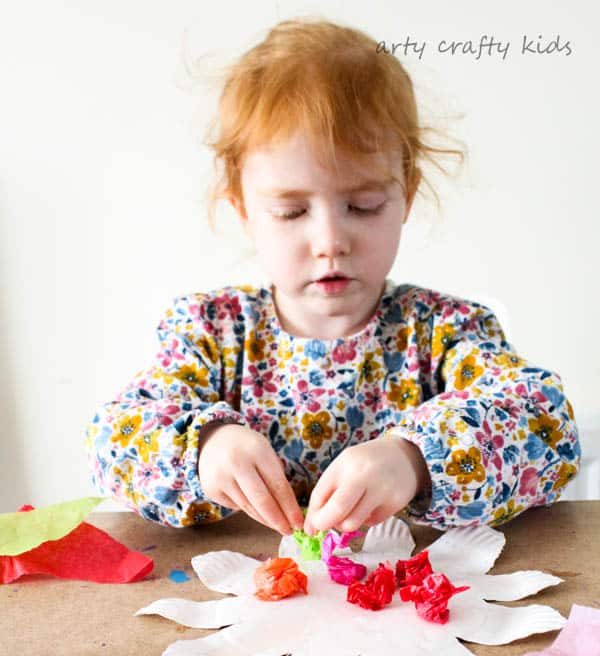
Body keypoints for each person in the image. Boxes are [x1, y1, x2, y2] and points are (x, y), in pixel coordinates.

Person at [84, 17, 580, 538]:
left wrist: (413, 459)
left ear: (405, 196)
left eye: (363, 205)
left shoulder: (444, 331)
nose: (329, 240)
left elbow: (547, 425)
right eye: (292, 212)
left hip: (411, 606)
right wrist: (205, 446)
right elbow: (112, 440)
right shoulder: (210, 333)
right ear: (244, 210)